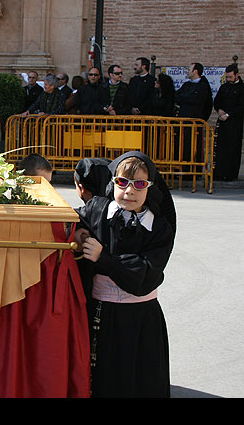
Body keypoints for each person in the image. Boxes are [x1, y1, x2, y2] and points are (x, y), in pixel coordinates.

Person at [73, 151, 174, 398]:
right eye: (122, 182)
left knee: (139, 380)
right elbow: (71, 222)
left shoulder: (159, 227)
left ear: (150, 188)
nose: (129, 191)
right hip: (101, 314)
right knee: (104, 379)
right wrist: (79, 234)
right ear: (112, 183)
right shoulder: (97, 208)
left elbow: (144, 273)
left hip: (140, 319)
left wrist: (103, 258)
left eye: (139, 184)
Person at [213, 64, 244, 181]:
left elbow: (241, 107)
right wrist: (220, 111)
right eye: (227, 77)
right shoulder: (224, 87)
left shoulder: (241, 88)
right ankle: (219, 172)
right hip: (222, 122)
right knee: (221, 148)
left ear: (237, 75)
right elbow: (217, 101)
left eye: (230, 77)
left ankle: (230, 174)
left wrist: (228, 114)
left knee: (233, 148)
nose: (228, 79)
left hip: (234, 123)